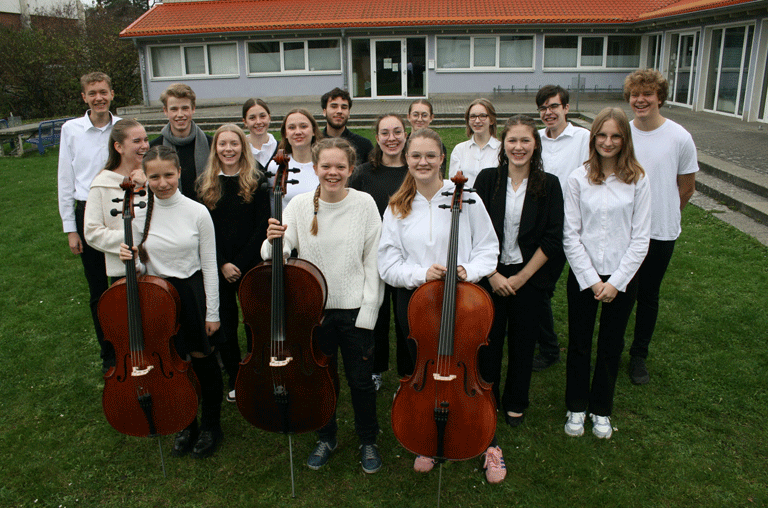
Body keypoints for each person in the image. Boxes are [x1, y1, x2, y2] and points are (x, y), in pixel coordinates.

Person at [378, 128, 505, 484]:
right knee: (424, 367)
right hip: (417, 302)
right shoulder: (397, 205)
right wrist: (421, 274)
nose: (423, 162)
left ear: (442, 159)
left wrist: (468, 270)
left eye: (430, 156)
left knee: (475, 368)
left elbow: (488, 249)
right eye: (416, 155)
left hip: (465, 302)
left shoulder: (469, 197)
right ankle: (425, 439)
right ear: (406, 159)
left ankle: (489, 444)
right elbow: (387, 264)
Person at [261, 137, 384, 474]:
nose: (333, 172)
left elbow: (374, 261)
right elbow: (273, 250)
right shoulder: (300, 205)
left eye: (340, 167)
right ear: (315, 168)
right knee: (321, 380)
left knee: (361, 381)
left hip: (355, 309)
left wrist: (370, 310)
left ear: (350, 169)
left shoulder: (364, 204)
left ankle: (367, 439)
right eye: (326, 166)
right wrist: (276, 243)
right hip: (313, 311)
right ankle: (326, 436)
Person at [120, 145, 224, 458]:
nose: (162, 182)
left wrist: (213, 312)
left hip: (192, 294)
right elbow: (141, 267)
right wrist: (132, 260)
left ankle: (211, 424)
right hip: (158, 297)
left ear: (179, 172)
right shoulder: (139, 214)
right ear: (145, 178)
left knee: (202, 362)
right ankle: (185, 421)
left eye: (168, 175)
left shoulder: (197, 212)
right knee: (173, 366)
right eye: (154, 176)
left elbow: (209, 264)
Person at [562, 107, 650, 439]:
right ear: (593, 138)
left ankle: (601, 409)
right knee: (580, 343)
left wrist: (616, 282)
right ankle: (576, 406)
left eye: (615, 136)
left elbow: (641, 238)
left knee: (611, 344)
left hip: (623, 277)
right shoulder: (577, 178)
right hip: (584, 277)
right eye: (602, 135)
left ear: (624, 139)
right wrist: (591, 279)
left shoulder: (638, 179)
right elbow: (571, 234)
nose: (608, 142)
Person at [474, 115, 564, 429]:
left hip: (530, 277)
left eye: (526, 140)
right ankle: (486, 398)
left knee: (523, 343)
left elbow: (553, 237)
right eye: (512, 140)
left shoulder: (549, 184)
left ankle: (515, 402)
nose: (519, 147)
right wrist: (493, 274)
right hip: (491, 274)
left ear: (535, 144)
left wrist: (521, 277)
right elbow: (474, 231)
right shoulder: (487, 180)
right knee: (488, 342)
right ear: (504, 144)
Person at [624, 69, 698, 385]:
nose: (640, 100)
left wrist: (666, 215)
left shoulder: (679, 137)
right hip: (625, 230)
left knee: (648, 294)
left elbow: (687, 186)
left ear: (659, 98)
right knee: (623, 290)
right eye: (635, 95)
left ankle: (639, 355)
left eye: (647, 95)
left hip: (661, 233)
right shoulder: (622, 134)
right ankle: (612, 348)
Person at [196, 124, 269, 403]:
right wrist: (223, 263)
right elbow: (204, 231)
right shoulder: (206, 183)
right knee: (224, 321)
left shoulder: (258, 179)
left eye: (234, 144)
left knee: (253, 321)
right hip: (218, 264)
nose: (228, 149)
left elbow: (262, 225)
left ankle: (255, 372)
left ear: (243, 146)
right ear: (215, 148)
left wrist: (238, 262)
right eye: (222, 144)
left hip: (250, 262)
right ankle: (235, 377)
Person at [57, 71, 121, 372]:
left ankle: (131, 345)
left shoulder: (122, 127)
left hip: (122, 208)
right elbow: (65, 181)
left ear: (111, 94)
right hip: (87, 213)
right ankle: (108, 352)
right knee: (98, 290)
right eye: (93, 93)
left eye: (103, 92)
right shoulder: (71, 130)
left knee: (124, 284)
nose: (99, 98)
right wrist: (71, 228)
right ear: (84, 97)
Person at [531, 85, 591, 372]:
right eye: (543, 108)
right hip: (539, 224)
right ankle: (545, 342)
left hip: (570, 227)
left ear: (566, 108)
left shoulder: (583, 139)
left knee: (543, 288)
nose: (548, 112)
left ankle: (550, 348)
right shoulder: (536, 139)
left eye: (554, 106)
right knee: (539, 288)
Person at [349, 113, 409, 387]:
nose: (392, 138)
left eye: (397, 132)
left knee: (407, 316)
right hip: (373, 252)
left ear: (405, 135)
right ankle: (376, 367)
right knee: (377, 312)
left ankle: (408, 372)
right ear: (377, 137)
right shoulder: (363, 173)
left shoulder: (415, 168)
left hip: (409, 254)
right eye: (385, 133)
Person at [84, 119, 149, 282]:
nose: (145, 146)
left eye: (146, 140)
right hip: (123, 270)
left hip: (159, 265)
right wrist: (129, 239)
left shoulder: (154, 176)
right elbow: (91, 231)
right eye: (137, 141)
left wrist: (148, 184)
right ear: (118, 147)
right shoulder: (102, 184)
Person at [149, 83, 212, 200]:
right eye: (174, 109)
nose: (180, 114)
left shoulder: (212, 145)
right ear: (165, 111)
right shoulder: (153, 148)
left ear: (193, 109)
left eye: (185, 108)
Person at [266, 108, 323, 211]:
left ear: (313, 131)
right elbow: (272, 201)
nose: (298, 132)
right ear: (285, 134)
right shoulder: (276, 165)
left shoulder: (324, 164)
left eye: (303, 126)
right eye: (292, 128)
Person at [448, 98, 500, 187]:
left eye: (482, 116)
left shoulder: (501, 149)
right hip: (465, 199)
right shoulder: (459, 149)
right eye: (473, 116)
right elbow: (452, 184)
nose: (477, 121)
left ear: (491, 120)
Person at [320, 87, 373, 165]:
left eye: (344, 107)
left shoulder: (364, 145)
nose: (339, 111)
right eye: (334, 106)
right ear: (324, 111)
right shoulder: (314, 143)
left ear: (349, 113)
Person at [406, 99, 446, 174]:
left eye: (424, 115)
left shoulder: (438, 146)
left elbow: (439, 175)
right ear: (408, 117)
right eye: (415, 115)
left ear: (431, 118)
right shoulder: (402, 145)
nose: (420, 119)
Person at [242, 98, 278, 169]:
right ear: (245, 122)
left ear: (269, 118)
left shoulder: (281, 148)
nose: (258, 122)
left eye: (262, 116)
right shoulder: (240, 150)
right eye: (252, 118)